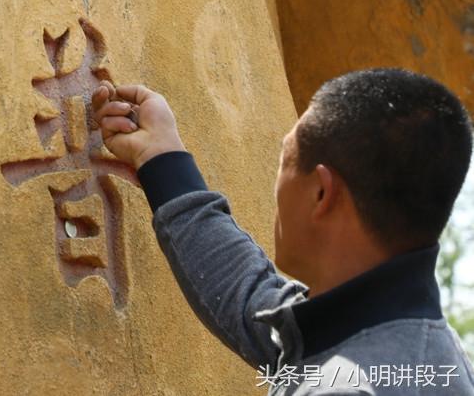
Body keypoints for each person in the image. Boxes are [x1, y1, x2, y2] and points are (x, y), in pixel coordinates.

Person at [92, 68, 474, 395]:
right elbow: (251, 298)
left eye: (285, 161)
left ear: (322, 192)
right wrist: (161, 157)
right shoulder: (401, 339)